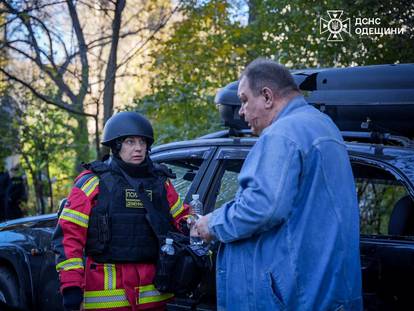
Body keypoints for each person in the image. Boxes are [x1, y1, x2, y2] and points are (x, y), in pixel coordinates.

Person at [194, 58, 362, 310]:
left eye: (244, 100)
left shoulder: (282, 134)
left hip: (294, 298)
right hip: (324, 293)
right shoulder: (324, 126)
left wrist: (212, 223)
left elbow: (261, 207)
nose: (241, 111)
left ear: (267, 97)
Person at [52, 111, 191, 311]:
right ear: (116, 145)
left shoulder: (161, 183)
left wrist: (195, 223)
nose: (138, 148)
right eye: (130, 142)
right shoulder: (93, 182)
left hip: (154, 297)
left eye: (142, 142)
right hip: (105, 298)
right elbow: (68, 237)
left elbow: (182, 219)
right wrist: (72, 287)